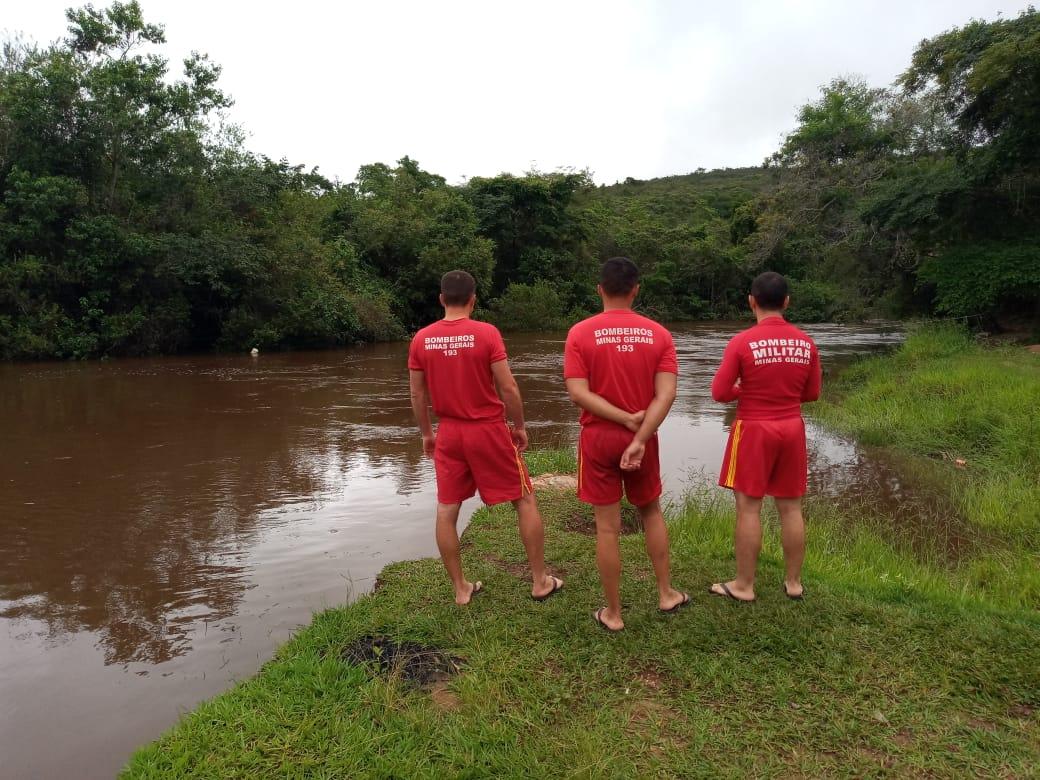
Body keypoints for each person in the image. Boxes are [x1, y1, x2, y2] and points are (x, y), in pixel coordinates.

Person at [408, 270, 562, 605]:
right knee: (523, 499)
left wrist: (426, 434)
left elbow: (418, 396)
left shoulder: (422, 339)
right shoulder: (486, 333)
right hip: (488, 430)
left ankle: (461, 589)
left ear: (441, 299)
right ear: (473, 299)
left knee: (447, 510)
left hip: (449, 433)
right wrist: (519, 426)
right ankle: (540, 581)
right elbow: (508, 387)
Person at [563, 257, 688, 632]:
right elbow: (666, 395)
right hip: (644, 438)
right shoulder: (660, 334)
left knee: (607, 528)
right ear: (636, 289)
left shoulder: (580, 333)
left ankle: (613, 614)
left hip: (599, 438)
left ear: (599, 289)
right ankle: (666, 594)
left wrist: (620, 419)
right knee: (651, 512)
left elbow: (577, 392)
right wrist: (639, 435)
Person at [708, 271, 822, 603]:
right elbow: (812, 393)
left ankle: (744, 585)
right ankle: (794, 582)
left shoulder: (742, 342)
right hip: (791, 427)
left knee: (748, 508)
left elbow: (718, 392)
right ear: (786, 302)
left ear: (751, 302)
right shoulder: (806, 342)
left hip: (754, 429)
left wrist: (741, 390)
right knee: (791, 508)